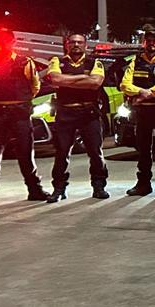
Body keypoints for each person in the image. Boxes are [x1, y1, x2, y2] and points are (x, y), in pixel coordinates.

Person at [42, 32, 108, 202]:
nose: (76, 45)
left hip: (89, 113)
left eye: (79, 42)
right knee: (62, 152)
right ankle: (59, 188)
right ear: (67, 45)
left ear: (86, 45)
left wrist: (68, 80)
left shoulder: (95, 62)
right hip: (65, 113)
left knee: (95, 152)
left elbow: (95, 83)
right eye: (72, 42)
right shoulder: (57, 61)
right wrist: (83, 77)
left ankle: (99, 186)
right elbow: (55, 79)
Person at [0, 28, 48, 206]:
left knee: (25, 153)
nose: (2, 44)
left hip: (19, 114)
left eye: (6, 40)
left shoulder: (24, 62)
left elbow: (34, 87)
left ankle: (34, 189)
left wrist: (20, 102)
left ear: (13, 42)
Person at [119, 25, 155, 197]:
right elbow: (124, 84)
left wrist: (145, 95)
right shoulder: (135, 61)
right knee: (143, 150)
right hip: (142, 114)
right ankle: (143, 183)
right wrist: (140, 92)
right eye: (147, 41)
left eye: (154, 41)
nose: (150, 44)